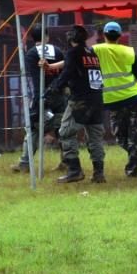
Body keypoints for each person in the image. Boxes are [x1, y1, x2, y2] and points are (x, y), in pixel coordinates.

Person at [43, 25, 105, 183]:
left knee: (65, 132)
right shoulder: (92, 52)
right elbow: (72, 65)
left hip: (80, 100)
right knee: (95, 136)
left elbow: (68, 72)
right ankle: (99, 173)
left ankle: (74, 170)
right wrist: (52, 67)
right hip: (97, 99)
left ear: (70, 39)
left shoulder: (73, 52)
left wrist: (52, 89)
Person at [93, 21, 137, 177]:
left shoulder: (96, 49)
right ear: (120, 36)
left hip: (113, 100)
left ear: (104, 35)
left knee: (121, 137)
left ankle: (132, 170)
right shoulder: (129, 51)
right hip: (134, 98)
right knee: (135, 136)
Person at [12, 26, 66, 173]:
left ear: (32, 38)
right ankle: (66, 161)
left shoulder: (31, 54)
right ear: (47, 37)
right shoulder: (59, 51)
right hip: (60, 95)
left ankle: (24, 163)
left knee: (34, 129)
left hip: (41, 95)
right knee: (62, 129)